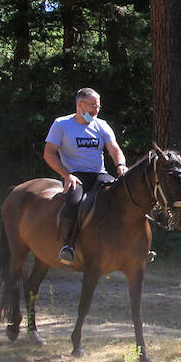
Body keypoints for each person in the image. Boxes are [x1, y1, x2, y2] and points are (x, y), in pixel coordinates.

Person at [45, 87, 127, 265]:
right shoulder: (61, 124)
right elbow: (49, 154)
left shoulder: (101, 125)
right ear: (80, 105)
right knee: (73, 202)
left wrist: (120, 165)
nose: (96, 111)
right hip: (75, 175)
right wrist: (66, 175)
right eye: (93, 106)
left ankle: (128, 244)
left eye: (98, 107)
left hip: (100, 174)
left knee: (122, 198)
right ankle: (68, 246)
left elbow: (114, 149)